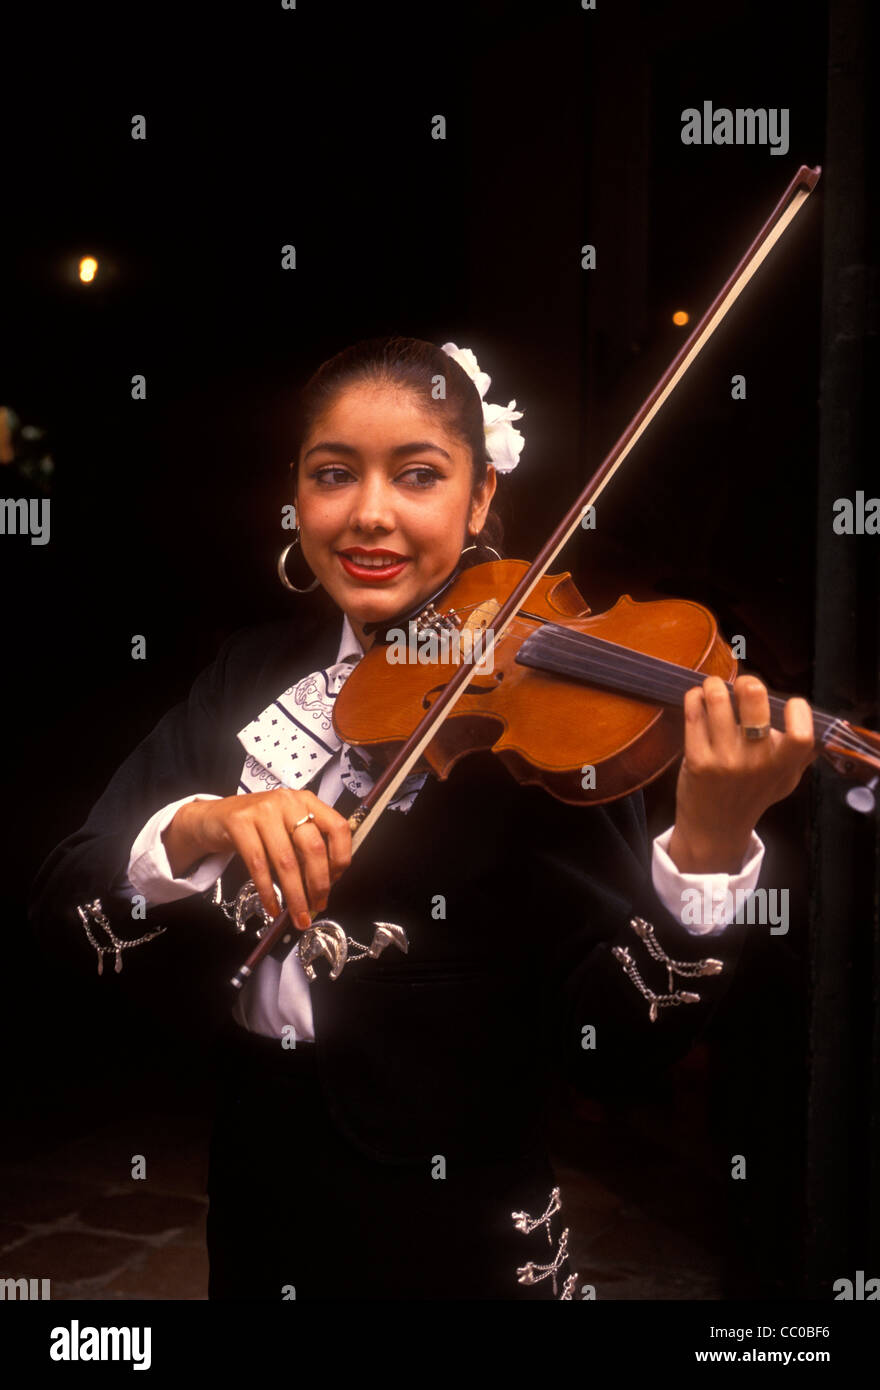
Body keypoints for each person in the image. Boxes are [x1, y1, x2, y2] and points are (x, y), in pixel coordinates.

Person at [29, 336, 816, 1301]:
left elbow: (615, 1052)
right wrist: (198, 825)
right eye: (333, 475)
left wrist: (711, 841)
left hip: (461, 1239)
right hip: (262, 1193)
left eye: (418, 476)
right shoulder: (248, 671)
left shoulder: (538, 717)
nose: (370, 514)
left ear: (481, 498)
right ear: (296, 497)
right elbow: (68, 905)